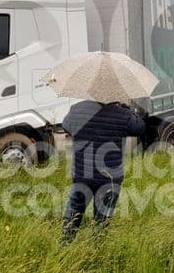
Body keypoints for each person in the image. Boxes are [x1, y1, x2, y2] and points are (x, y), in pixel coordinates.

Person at [61, 100, 146, 242]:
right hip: (109, 180)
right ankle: (97, 251)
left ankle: (65, 245)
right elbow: (140, 128)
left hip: (82, 176)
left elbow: (66, 126)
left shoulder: (77, 109)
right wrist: (129, 110)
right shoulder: (123, 114)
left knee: (73, 214)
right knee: (101, 221)